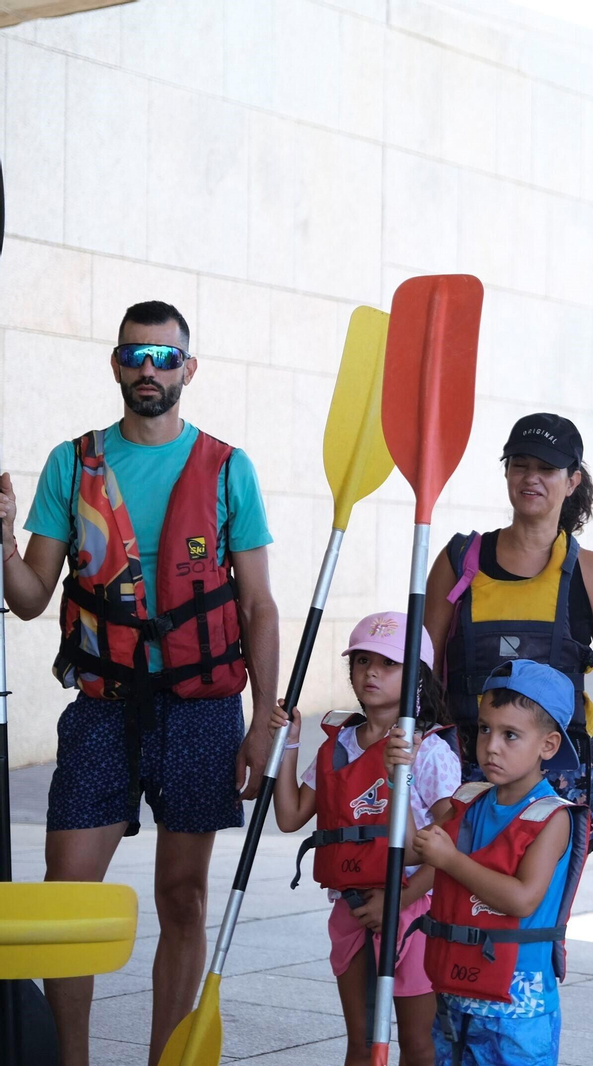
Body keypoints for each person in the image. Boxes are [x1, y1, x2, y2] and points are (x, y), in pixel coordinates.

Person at [0, 301, 279, 1066]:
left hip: (201, 710)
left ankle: (165, 1059)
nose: (148, 371)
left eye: (165, 358)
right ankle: (72, 1060)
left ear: (188, 369)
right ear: (116, 364)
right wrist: (2, 534)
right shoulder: (74, 462)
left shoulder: (228, 469)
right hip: (102, 707)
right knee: (67, 895)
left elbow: (257, 604)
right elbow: (29, 598)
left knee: (183, 896)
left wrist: (263, 722)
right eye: (135, 356)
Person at [424, 412, 593, 851]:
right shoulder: (458, 561)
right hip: (463, 776)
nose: (532, 478)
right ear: (506, 471)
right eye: (520, 464)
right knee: (455, 914)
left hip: (555, 787)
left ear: (573, 480)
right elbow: (421, 675)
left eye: (547, 468)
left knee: (531, 916)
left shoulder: (592, 574)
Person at [269, 612, 460, 1066]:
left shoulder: (431, 751)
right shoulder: (339, 745)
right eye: (361, 661)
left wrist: (399, 899)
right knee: (361, 1042)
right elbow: (290, 815)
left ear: (417, 677)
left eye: (388, 664)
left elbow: (453, 850)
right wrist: (289, 743)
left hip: (414, 910)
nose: (371, 672)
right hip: (351, 907)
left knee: (416, 1044)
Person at [389, 659, 588, 1066]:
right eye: (484, 729)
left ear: (548, 746)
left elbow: (522, 900)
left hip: (518, 1003)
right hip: (456, 990)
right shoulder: (469, 799)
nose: (491, 745)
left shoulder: (552, 816)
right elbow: (412, 848)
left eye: (510, 735)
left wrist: (450, 860)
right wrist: (400, 779)